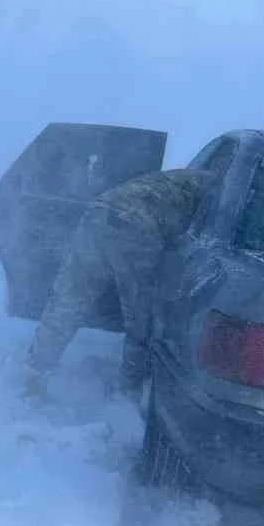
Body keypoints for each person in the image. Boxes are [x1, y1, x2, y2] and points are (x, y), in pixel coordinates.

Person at [23, 168, 215, 399]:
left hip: (98, 212)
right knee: (141, 318)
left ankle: (35, 374)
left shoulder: (188, 176)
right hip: (138, 228)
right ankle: (128, 390)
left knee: (68, 300)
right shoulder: (220, 191)